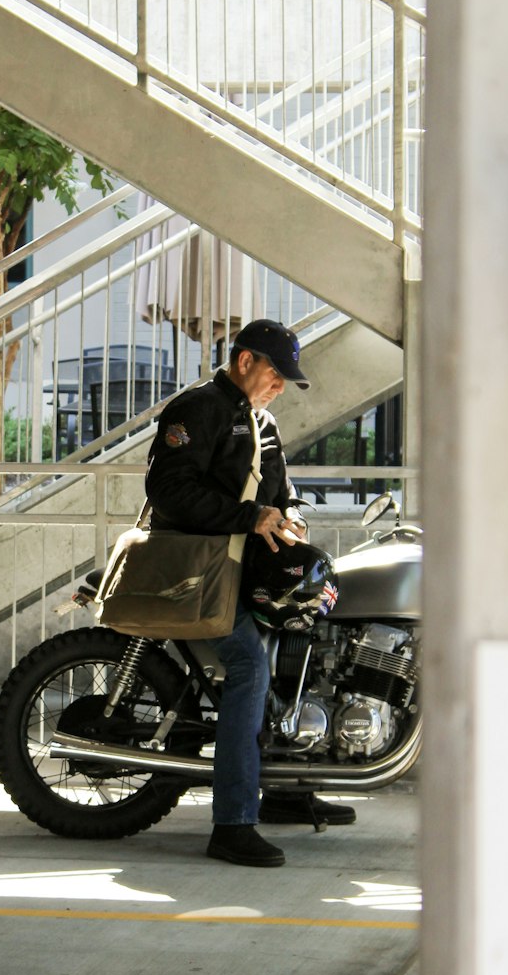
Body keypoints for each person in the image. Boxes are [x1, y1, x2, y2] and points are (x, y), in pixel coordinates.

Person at [145, 318, 356, 867]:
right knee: (250, 670)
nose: (281, 385)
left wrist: (292, 520)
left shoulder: (261, 420)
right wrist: (248, 515)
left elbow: (282, 495)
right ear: (244, 362)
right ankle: (232, 823)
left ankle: (284, 790)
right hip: (197, 566)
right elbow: (169, 491)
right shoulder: (199, 409)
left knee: (301, 644)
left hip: (244, 568)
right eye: (276, 373)